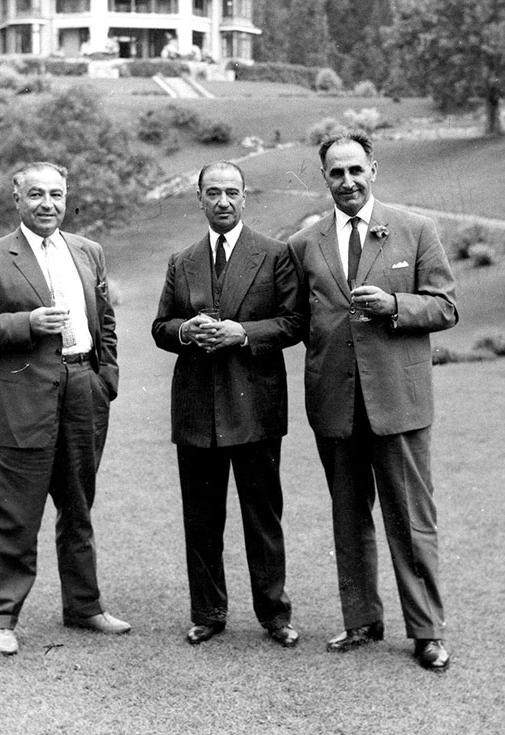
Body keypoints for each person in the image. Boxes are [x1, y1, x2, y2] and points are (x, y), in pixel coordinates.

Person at [288, 130, 458, 671]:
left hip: (399, 401)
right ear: (325, 178)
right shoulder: (305, 243)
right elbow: (295, 320)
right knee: (348, 518)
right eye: (336, 173)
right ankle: (361, 620)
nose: (347, 181)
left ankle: (426, 631)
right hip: (334, 401)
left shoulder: (415, 229)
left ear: (373, 170)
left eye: (355, 170)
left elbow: (446, 307)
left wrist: (394, 305)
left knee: (411, 519)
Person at [0, 161, 130, 655]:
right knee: (13, 510)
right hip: (21, 396)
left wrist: (105, 378)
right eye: (36, 194)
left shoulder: (88, 251)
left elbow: (105, 321)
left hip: (83, 389)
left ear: (66, 197)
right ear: (17, 199)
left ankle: (84, 606)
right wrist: (26, 323)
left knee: (78, 505)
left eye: (56, 194)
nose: (47, 204)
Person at [152, 161, 304, 647]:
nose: (223, 201)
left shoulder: (275, 254)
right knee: (201, 518)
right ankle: (208, 612)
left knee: (263, 518)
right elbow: (160, 327)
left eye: (232, 192)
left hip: (255, 406)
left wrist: (244, 333)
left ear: (245, 197)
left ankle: (274, 615)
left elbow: (295, 322)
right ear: (199, 198)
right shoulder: (182, 261)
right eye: (213, 192)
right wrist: (184, 330)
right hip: (196, 409)